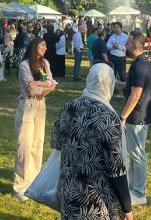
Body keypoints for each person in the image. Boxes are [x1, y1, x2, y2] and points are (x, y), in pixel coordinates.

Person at [51, 63, 133, 220]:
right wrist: (127, 207)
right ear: (109, 84)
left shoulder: (67, 108)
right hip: (95, 201)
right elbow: (116, 169)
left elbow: (56, 143)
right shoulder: (108, 117)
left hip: (68, 192)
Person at [13, 37, 55, 200]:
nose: (45, 48)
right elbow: (30, 89)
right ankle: (20, 186)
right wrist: (47, 86)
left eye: (46, 45)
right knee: (24, 145)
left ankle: (34, 183)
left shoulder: (45, 63)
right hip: (27, 105)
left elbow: (50, 82)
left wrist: (40, 85)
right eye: (42, 45)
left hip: (41, 105)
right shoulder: (24, 65)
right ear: (34, 46)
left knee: (37, 143)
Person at [118, 36, 151, 205]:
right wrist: (115, 84)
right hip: (139, 115)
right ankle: (133, 187)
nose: (124, 46)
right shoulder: (139, 62)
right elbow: (131, 85)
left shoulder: (140, 66)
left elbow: (135, 95)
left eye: (126, 43)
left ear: (134, 46)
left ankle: (139, 193)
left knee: (138, 155)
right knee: (135, 153)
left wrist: (123, 116)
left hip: (137, 116)